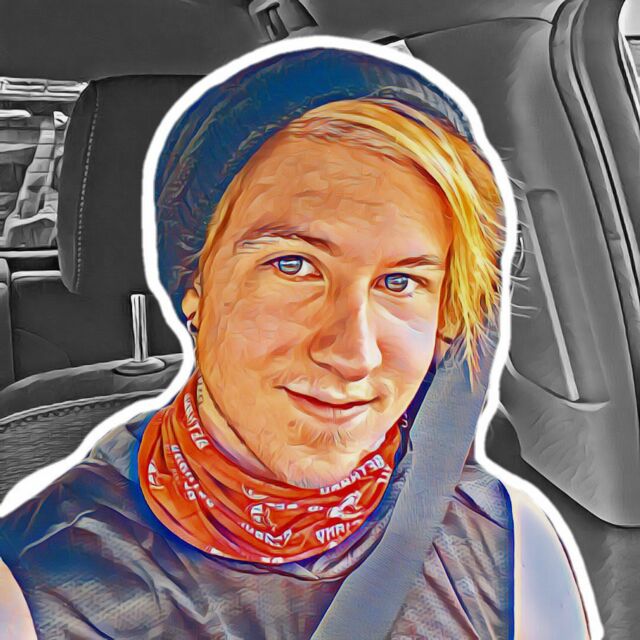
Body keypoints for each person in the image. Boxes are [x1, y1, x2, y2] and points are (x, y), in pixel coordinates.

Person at [0, 41, 593, 639]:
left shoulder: (511, 543)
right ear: (195, 285)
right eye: (293, 265)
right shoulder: (31, 587)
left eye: (400, 282)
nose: (354, 353)